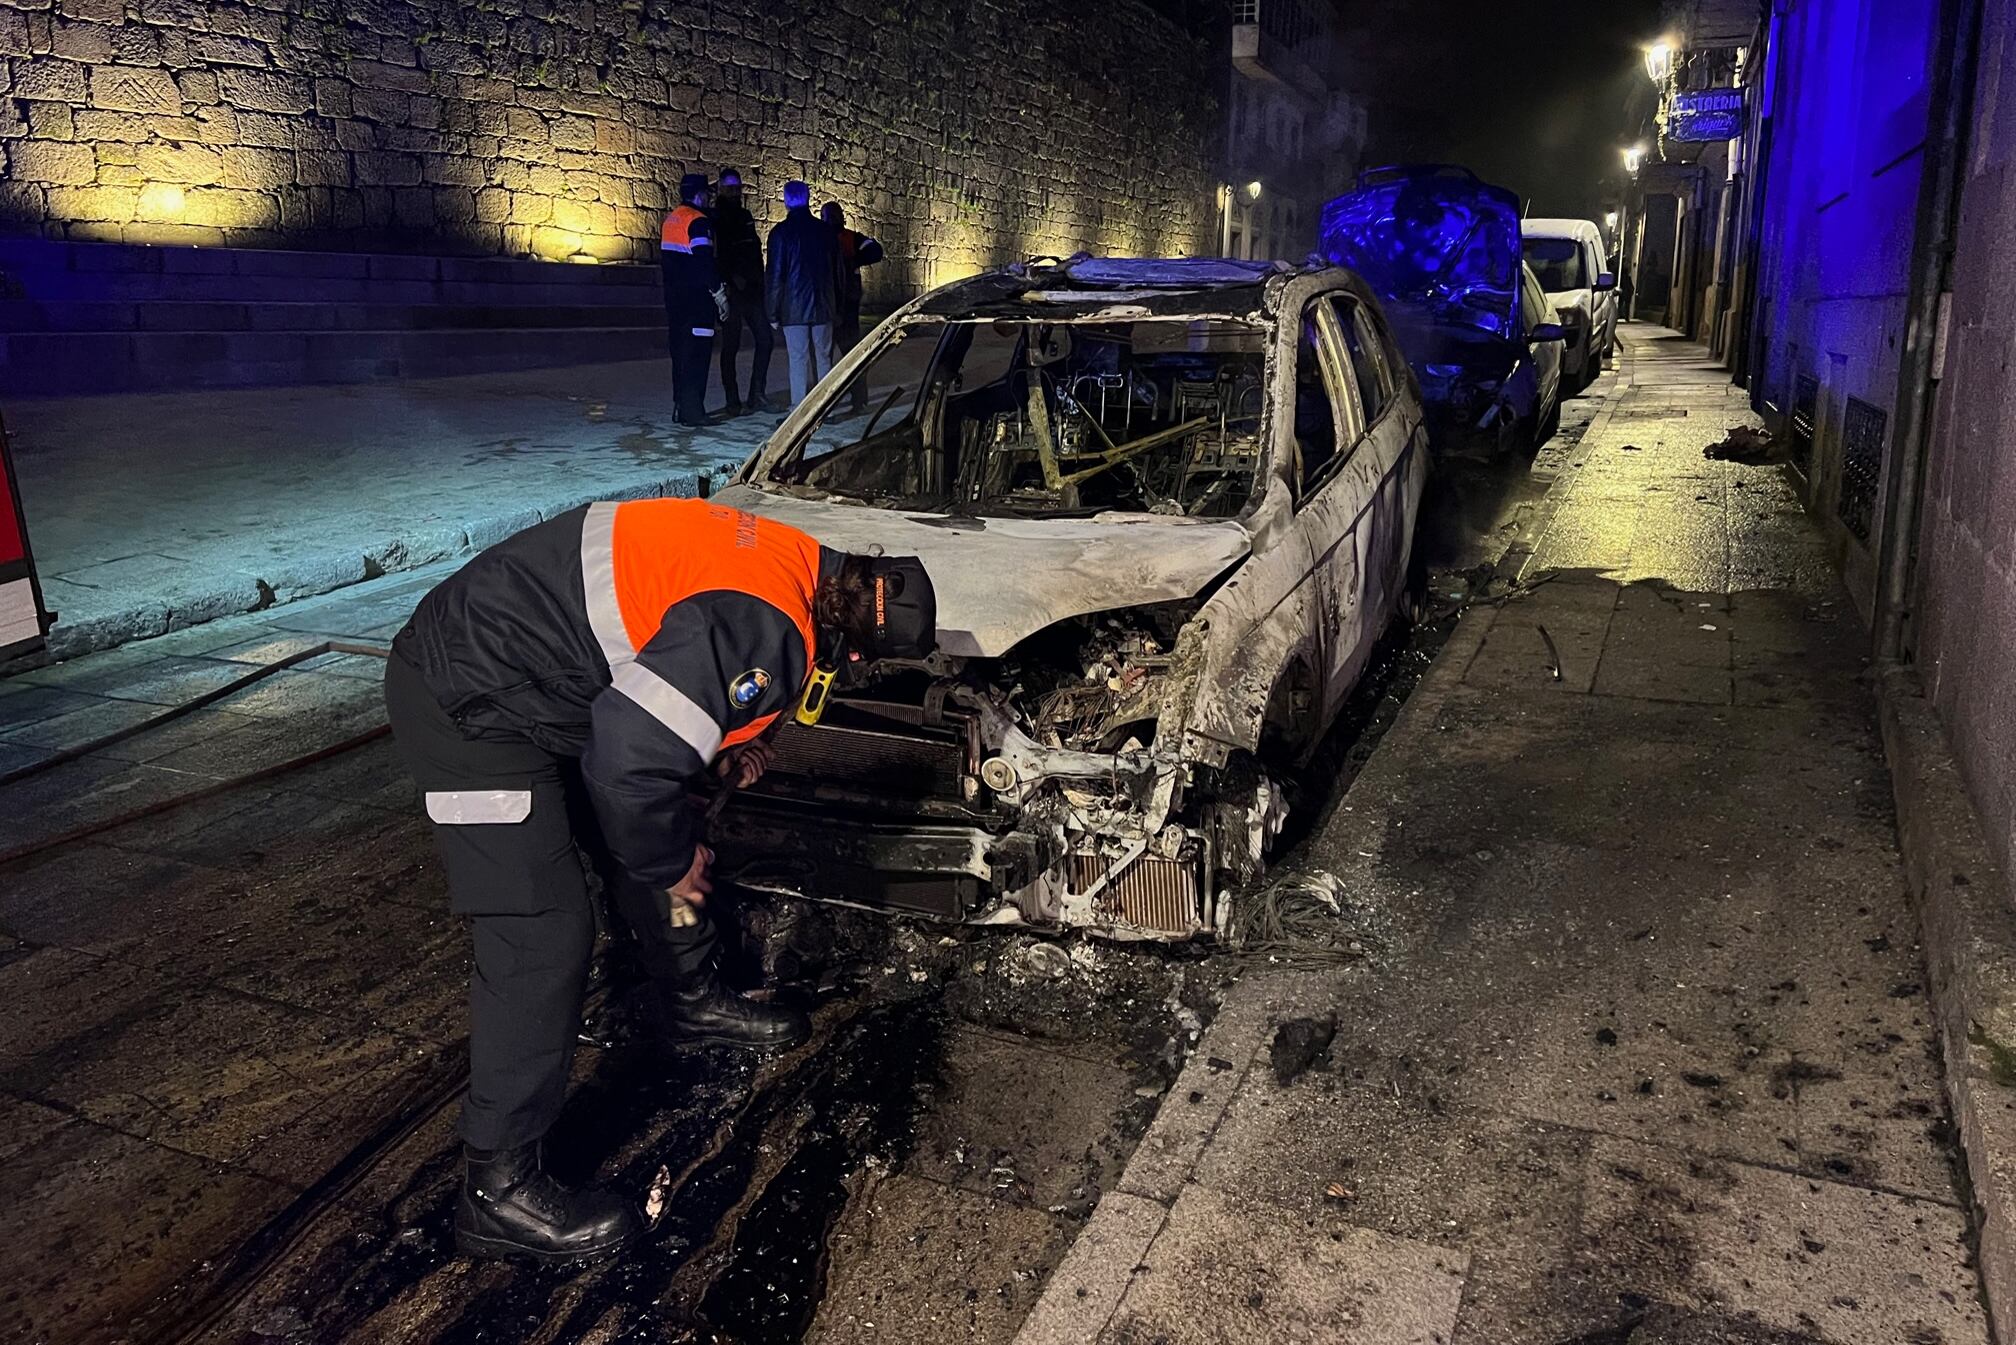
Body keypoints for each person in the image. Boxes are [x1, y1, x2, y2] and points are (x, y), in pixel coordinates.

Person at [384, 498, 938, 1262]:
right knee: (543, 927)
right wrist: (674, 865)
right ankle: (496, 1190)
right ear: (850, 649)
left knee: (657, 817)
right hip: (467, 696)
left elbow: (667, 687)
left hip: (539, 676)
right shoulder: (769, 626)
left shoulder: (801, 561)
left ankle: (688, 999)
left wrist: (718, 744)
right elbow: (627, 760)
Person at [660, 173, 727, 426]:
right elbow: (704, 262)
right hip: (697, 303)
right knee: (697, 358)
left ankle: (680, 407)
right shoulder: (698, 221)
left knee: (680, 356)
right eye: (707, 195)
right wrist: (719, 294)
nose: (709, 199)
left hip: (675, 302)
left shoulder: (672, 219)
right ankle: (693, 412)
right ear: (699, 195)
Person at [766, 180, 840, 408]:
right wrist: (836, 305)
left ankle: (799, 409)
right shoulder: (826, 232)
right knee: (824, 358)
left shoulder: (780, 233)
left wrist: (772, 312)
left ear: (786, 201)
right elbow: (837, 272)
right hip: (823, 305)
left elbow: (776, 276)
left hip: (794, 308)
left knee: (798, 360)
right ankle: (823, 407)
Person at [710, 169, 774, 416]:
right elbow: (718, 254)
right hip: (733, 292)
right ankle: (732, 399)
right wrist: (728, 280)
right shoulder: (717, 217)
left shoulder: (745, 215)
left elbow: (753, 250)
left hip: (752, 291)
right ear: (721, 189)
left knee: (765, 340)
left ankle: (756, 393)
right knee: (730, 346)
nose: (735, 192)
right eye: (730, 187)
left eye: (737, 187)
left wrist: (758, 280)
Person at [821, 202, 885, 414]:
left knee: (851, 355)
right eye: (828, 216)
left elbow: (875, 250)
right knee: (824, 358)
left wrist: (853, 260)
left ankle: (858, 399)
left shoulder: (850, 239)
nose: (832, 219)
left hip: (847, 308)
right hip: (828, 306)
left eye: (835, 215)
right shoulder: (820, 240)